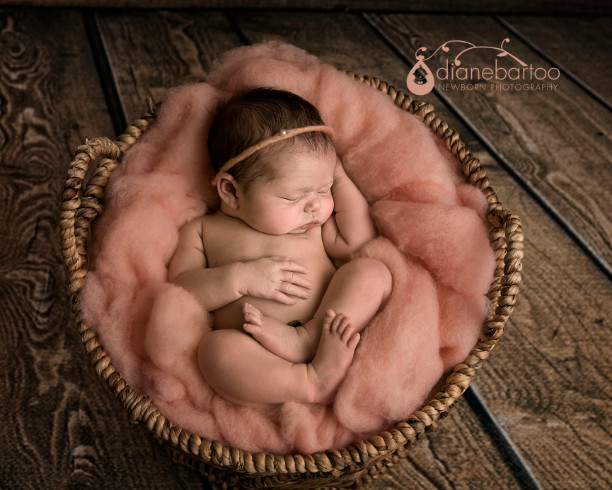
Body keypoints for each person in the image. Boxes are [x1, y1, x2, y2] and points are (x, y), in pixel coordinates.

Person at [168, 88, 392, 406]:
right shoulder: (203, 231)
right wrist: (240, 278)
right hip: (259, 352)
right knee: (215, 351)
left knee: (373, 271)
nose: (315, 206)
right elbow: (181, 293)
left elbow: (357, 242)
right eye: (294, 196)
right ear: (231, 191)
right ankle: (309, 382)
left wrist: (338, 174)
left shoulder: (313, 224)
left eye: (325, 189)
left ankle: (308, 339)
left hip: (330, 329)